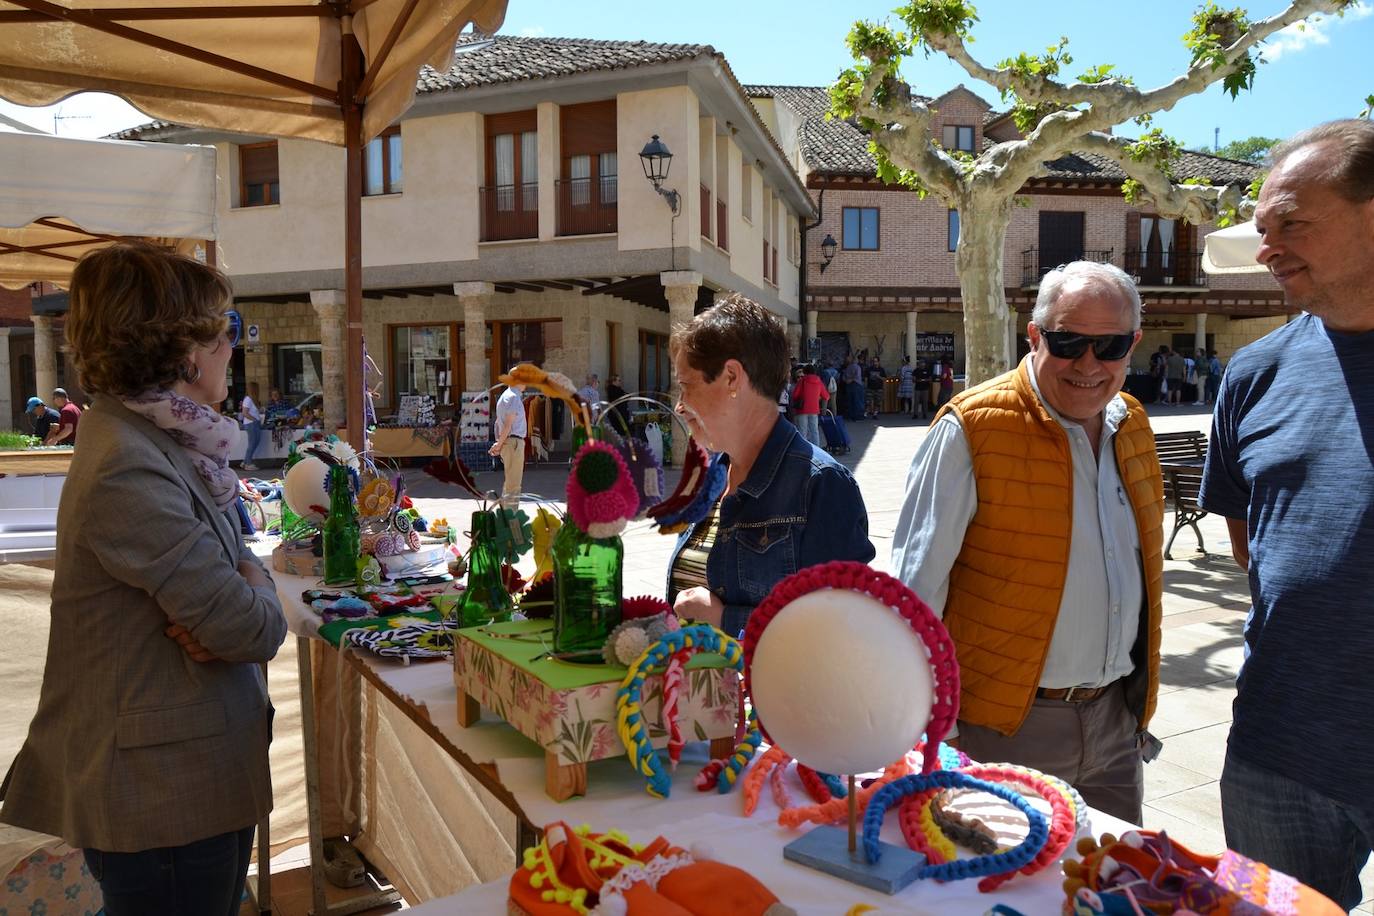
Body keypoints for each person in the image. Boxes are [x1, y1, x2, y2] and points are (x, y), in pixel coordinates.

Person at [0, 242, 287, 915]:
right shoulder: (129, 462)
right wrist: (255, 582)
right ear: (185, 351)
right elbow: (248, 627)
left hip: (171, 775)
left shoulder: (161, 440)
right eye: (227, 332)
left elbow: (227, 604)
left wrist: (240, 581)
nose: (233, 349)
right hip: (162, 791)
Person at [891, 260, 1164, 825]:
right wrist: (926, 727)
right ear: (1034, 335)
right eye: (1068, 341)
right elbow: (915, 592)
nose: (1089, 364)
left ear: (1133, 344)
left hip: (1116, 724)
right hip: (1006, 731)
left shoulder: (1131, 423)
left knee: (1107, 891)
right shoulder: (972, 428)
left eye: (1109, 345)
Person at [1199, 119, 1374, 911]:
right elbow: (1252, 544)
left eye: (1292, 224)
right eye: (1262, 229)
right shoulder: (1252, 372)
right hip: (1278, 753)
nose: (1268, 249)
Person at [667, 294, 874, 636]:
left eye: (686, 386)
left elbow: (841, 633)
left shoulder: (823, 486)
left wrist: (727, 620)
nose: (679, 405)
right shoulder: (712, 474)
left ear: (732, 377)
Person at [490, 369, 528, 506]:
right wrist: (499, 444)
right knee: (513, 486)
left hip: (510, 442)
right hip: (514, 443)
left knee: (509, 485)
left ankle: (504, 518)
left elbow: (497, 424)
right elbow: (507, 424)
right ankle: (510, 522)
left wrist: (498, 443)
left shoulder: (505, 396)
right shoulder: (513, 397)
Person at [790, 363, 830, 448]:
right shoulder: (819, 381)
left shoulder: (802, 381)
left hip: (802, 409)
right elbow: (826, 396)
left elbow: (795, 395)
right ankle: (817, 450)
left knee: (802, 431)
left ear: (805, 372)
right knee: (814, 431)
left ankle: (803, 449)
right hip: (814, 409)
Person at [239, 381, 263, 471]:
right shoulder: (248, 399)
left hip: (253, 423)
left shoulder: (252, 400)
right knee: (252, 444)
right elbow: (245, 413)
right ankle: (248, 463)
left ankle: (245, 462)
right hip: (251, 424)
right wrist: (254, 419)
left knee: (254, 443)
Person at [842, 354, 864, 421]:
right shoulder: (857, 367)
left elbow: (843, 377)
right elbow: (857, 376)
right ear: (856, 360)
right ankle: (858, 416)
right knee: (858, 401)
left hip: (848, 385)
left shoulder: (848, 367)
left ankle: (851, 415)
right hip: (856, 385)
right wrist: (852, 380)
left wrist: (847, 381)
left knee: (850, 400)